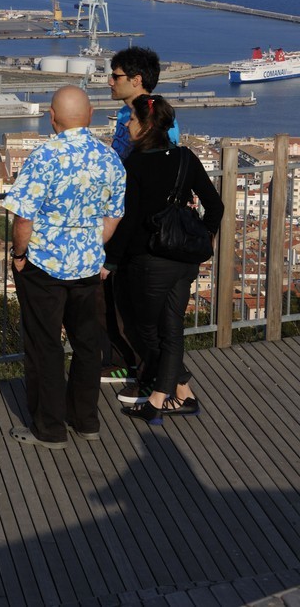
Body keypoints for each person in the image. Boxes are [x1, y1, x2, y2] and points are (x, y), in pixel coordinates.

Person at [1, 85, 127, 449]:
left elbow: (23, 218)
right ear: (89, 116)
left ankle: (49, 428)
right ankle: (86, 419)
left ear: (51, 118)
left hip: (44, 266)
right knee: (87, 344)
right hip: (88, 266)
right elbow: (114, 215)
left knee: (45, 347)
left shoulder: (44, 157)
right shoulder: (109, 159)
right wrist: (89, 245)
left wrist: (19, 255)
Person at [105, 95, 222, 425]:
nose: (126, 124)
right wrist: (199, 237)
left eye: (131, 119)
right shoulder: (186, 157)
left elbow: (127, 222)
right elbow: (216, 207)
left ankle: (158, 398)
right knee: (170, 329)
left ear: (145, 126)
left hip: (149, 260)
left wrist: (111, 261)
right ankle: (180, 395)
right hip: (184, 261)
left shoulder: (136, 165)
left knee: (144, 331)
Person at [101, 47, 179, 383]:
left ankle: (154, 375)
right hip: (121, 213)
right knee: (117, 295)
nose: (109, 81)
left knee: (138, 303)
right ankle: (125, 360)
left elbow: (162, 166)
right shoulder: (125, 115)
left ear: (136, 80)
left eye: (116, 76)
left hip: (140, 221)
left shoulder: (154, 118)